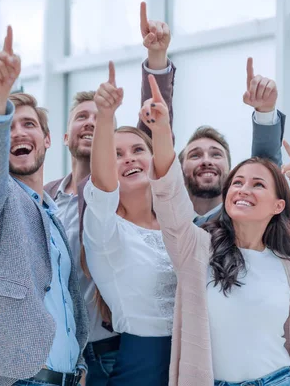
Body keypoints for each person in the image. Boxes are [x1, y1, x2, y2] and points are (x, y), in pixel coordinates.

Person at [43, 2, 175, 384]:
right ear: (65, 138)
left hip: (117, 344)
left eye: (99, 115)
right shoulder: (46, 202)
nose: (92, 121)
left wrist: (156, 57)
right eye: (81, 117)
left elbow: (154, 131)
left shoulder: (139, 198)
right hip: (70, 355)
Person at [0, 26, 88, 386]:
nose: (18, 133)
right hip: (19, 379)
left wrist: (80, 369)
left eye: (29, 124)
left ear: (47, 140)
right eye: (10, 126)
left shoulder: (53, 213)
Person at [146, 74, 290, 386]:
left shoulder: (287, 262)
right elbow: (169, 197)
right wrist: (160, 132)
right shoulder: (196, 248)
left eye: (257, 184)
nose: (243, 189)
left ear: (278, 205)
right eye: (237, 183)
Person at [81, 62, 175, 386]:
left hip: (191, 356)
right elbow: (103, 185)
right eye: (117, 154)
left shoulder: (176, 225)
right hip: (142, 363)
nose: (130, 158)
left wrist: (161, 128)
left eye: (138, 149)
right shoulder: (104, 230)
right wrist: (106, 116)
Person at [179, 57, 286, 226]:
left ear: (230, 173)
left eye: (216, 154)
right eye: (195, 155)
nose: (206, 161)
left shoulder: (245, 216)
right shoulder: (163, 219)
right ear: (179, 171)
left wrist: (265, 111)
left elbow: (265, 168)